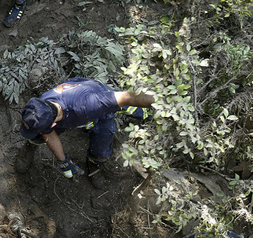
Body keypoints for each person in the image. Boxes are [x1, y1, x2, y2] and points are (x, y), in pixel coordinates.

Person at [19, 77, 153, 186]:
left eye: (46, 129)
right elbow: (48, 133)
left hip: (97, 106)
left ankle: (93, 163)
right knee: (38, 135)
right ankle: (31, 146)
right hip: (74, 100)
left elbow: (128, 97)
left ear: (53, 124)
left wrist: (160, 101)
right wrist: (64, 162)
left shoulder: (88, 105)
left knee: (102, 145)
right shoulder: (40, 108)